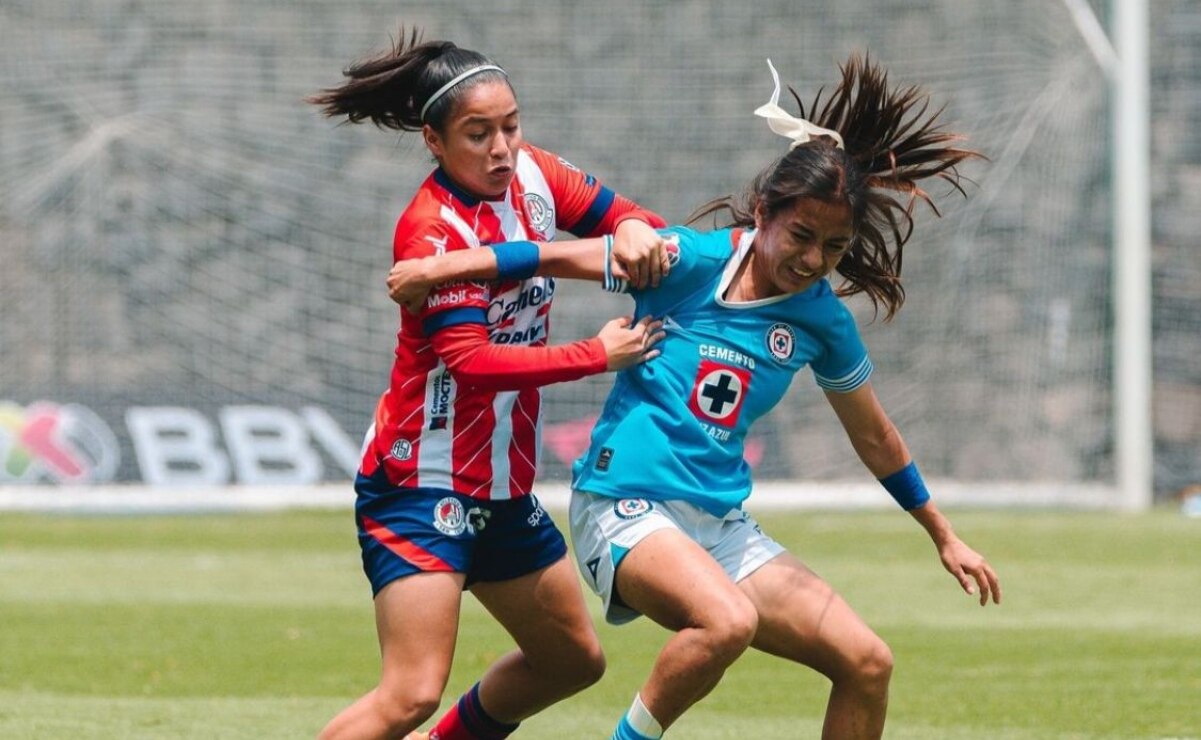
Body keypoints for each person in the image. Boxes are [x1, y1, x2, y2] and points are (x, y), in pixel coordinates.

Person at [387, 54, 1003, 740]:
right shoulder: (688, 262)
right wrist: (447, 265)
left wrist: (941, 534)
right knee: (725, 621)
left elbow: (875, 438)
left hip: (717, 527)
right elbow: (552, 255)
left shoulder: (822, 320)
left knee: (867, 663)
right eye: (800, 236)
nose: (810, 259)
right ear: (766, 211)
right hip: (623, 506)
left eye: (833, 247)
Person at [308, 28, 672, 740]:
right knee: (409, 693)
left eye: (510, 126)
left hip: (502, 488)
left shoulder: (534, 175)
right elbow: (473, 365)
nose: (502, 148)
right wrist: (593, 354)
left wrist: (629, 226)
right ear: (433, 142)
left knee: (570, 660)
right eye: (478, 134)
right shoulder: (429, 235)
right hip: (421, 481)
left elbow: (634, 224)